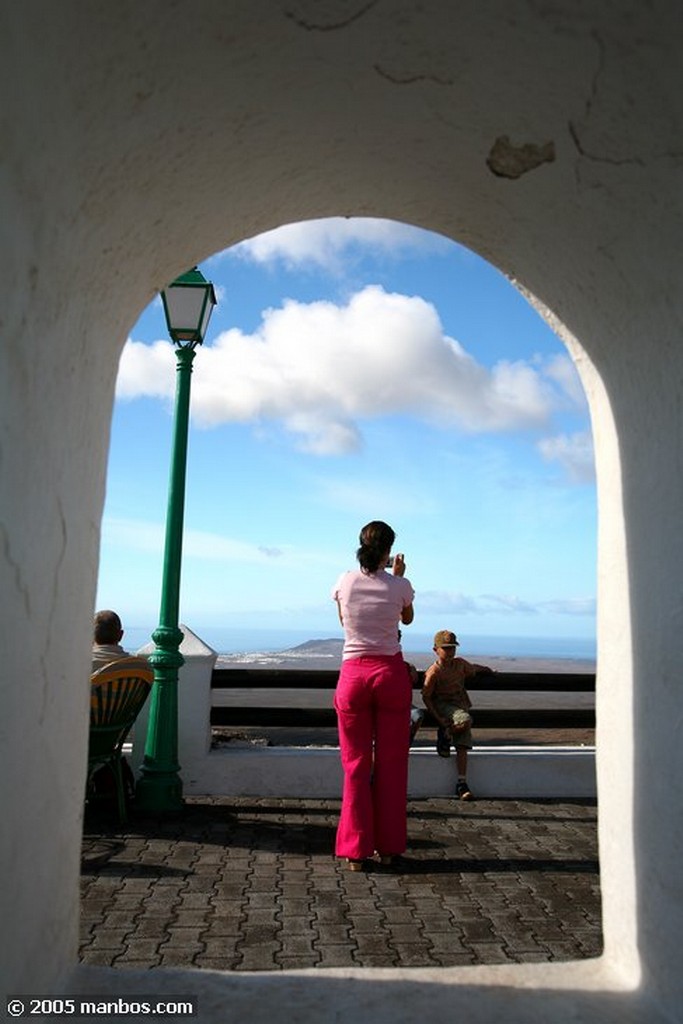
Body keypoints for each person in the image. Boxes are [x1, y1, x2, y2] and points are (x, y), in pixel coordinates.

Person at [332, 520, 415, 871]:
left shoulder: (345, 581)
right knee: (392, 764)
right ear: (389, 548)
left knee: (355, 765)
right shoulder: (401, 585)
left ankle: (356, 851)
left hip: (353, 676)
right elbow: (406, 619)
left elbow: (344, 623)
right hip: (389, 675)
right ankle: (390, 847)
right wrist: (395, 576)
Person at [421, 629, 493, 801]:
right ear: (435, 650)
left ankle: (462, 783)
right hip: (444, 707)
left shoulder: (460, 664)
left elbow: (473, 668)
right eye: (446, 648)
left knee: (463, 744)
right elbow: (426, 696)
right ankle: (447, 732)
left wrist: (488, 670)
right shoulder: (434, 672)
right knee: (465, 720)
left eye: (452, 647)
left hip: (459, 706)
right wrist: (439, 718)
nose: (450, 651)